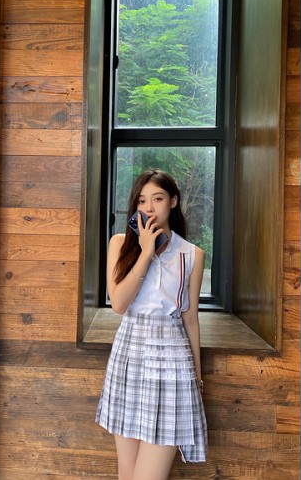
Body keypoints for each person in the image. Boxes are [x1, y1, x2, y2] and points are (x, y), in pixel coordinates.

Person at [96, 169, 208, 480]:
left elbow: (190, 318)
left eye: (157, 199)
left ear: (173, 201)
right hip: (128, 359)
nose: (149, 208)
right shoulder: (120, 244)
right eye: (142, 201)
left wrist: (198, 378)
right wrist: (145, 253)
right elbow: (119, 304)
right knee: (126, 474)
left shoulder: (192, 255)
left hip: (172, 365)